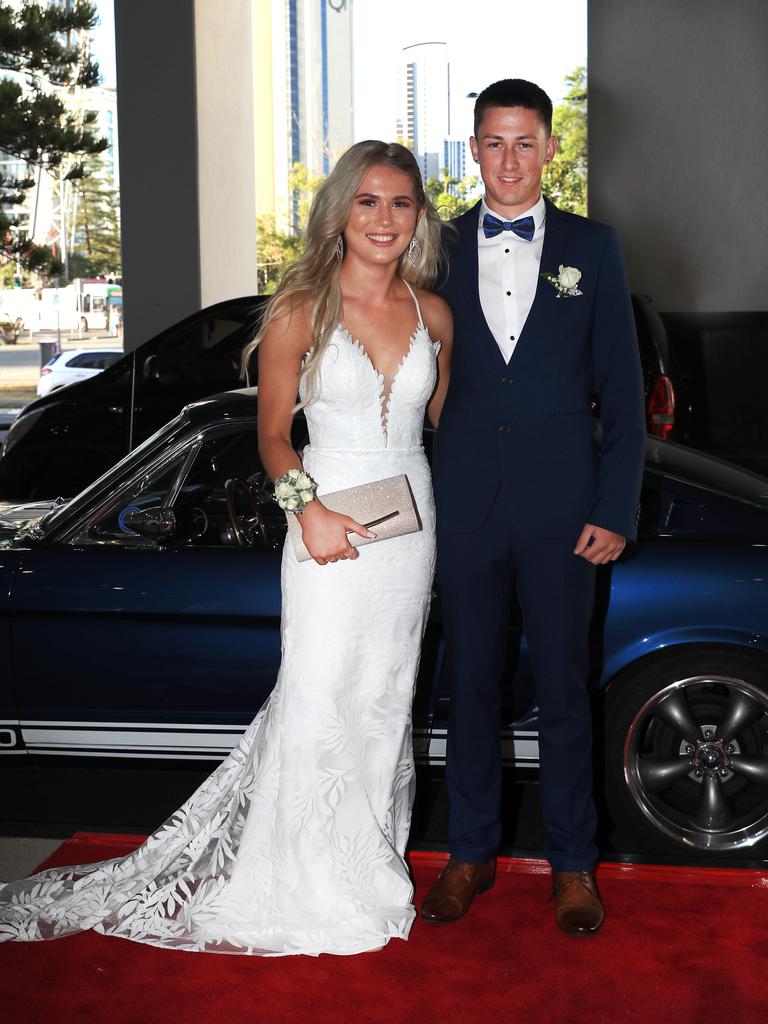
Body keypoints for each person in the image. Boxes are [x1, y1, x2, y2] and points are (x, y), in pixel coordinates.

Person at [0, 141, 452, 956]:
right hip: (321, 530)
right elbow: (274, 437)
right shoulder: (299, 311)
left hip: (406, 543)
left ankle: (362, 870)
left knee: (384, 707)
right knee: (316, 703)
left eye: (402, 203)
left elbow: (448, 432)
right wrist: (303, 512)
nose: (386, 219)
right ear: (341, 215)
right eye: (369, 202)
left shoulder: (433, 315)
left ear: (419, 216)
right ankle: (289, 884)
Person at [422, 79, 646, 935]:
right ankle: (469, 855)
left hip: (566, 507)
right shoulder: (431, 247)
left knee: (565, 691)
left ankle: (575, 868)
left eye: (525, 142)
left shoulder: (595, 246)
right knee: (469, 686)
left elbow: (623, 396)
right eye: (492, 142)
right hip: (466, 506)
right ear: (472, 148)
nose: (508, 160)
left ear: (551, 148)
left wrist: (616, 506)